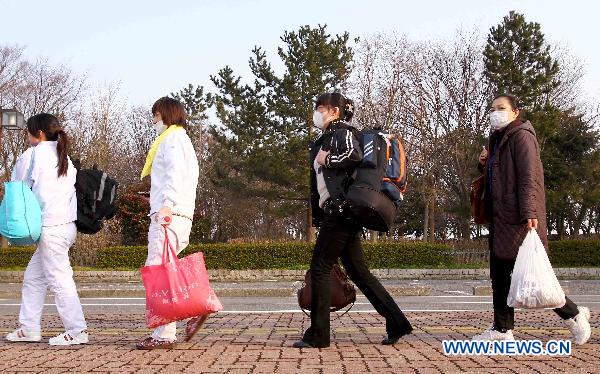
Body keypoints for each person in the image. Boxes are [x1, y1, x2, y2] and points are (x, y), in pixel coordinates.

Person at [293, 92, 413, 349]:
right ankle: (397, 322)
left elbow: (354, 155)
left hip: (341, 210)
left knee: (321, 266)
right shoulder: (326, 137)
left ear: (335, 111)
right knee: (359, 272)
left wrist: (329, 159)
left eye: (321, 108)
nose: (317, 113)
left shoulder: (342, 132)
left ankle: (318, 334)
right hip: (339, 211)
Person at [473, 94, 591, 344]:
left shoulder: (521, 136)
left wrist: (530, 213)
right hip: (501, 217)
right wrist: (484, 164)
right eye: (493, 108)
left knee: (533, 277)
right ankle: (502, 330)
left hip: (518, 218)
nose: (496, 112)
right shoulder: (498, 140)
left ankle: (574, 314)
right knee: (500, 275)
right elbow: (500, 178)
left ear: (516, 112)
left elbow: (530, 177)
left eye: (501, 108)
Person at [5, 113, 88, 346]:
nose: (28, 137)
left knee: (60, 279)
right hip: (66, 226)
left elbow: (17, 189)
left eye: (29, 133)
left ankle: (77, 330)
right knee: (34, 278)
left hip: (51, 228)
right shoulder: (65, 157)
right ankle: (28, 328)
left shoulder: (32, 155)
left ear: (38, 134)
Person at [135, 97, 205, 350]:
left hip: (169, 216)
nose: (153, 121)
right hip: (176, 213)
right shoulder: (180, 139)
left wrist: (166, 203)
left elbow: (174, 175)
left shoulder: (172, 140)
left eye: (155, 115)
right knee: (165, 271)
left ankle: (167, 332)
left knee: (158, 272)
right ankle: (185, 315)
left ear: (165, 114)